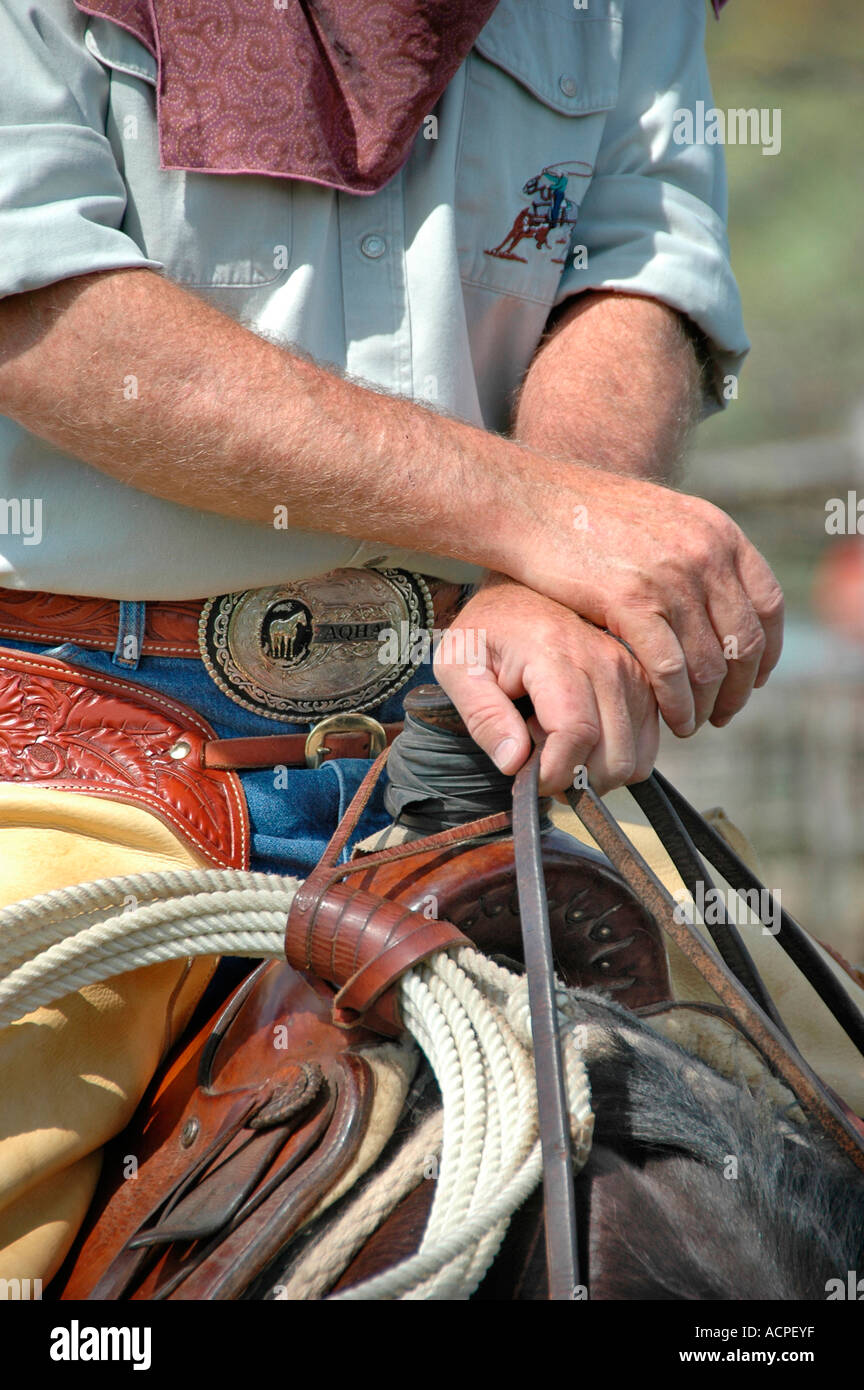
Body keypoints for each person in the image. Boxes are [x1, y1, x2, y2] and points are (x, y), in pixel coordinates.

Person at [0, 0, 785, 1282]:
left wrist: (541, 578)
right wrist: (551, 519)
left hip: (481, 741)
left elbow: (638, 271)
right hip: (71, 749)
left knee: (770, 1156)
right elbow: (36, 306)